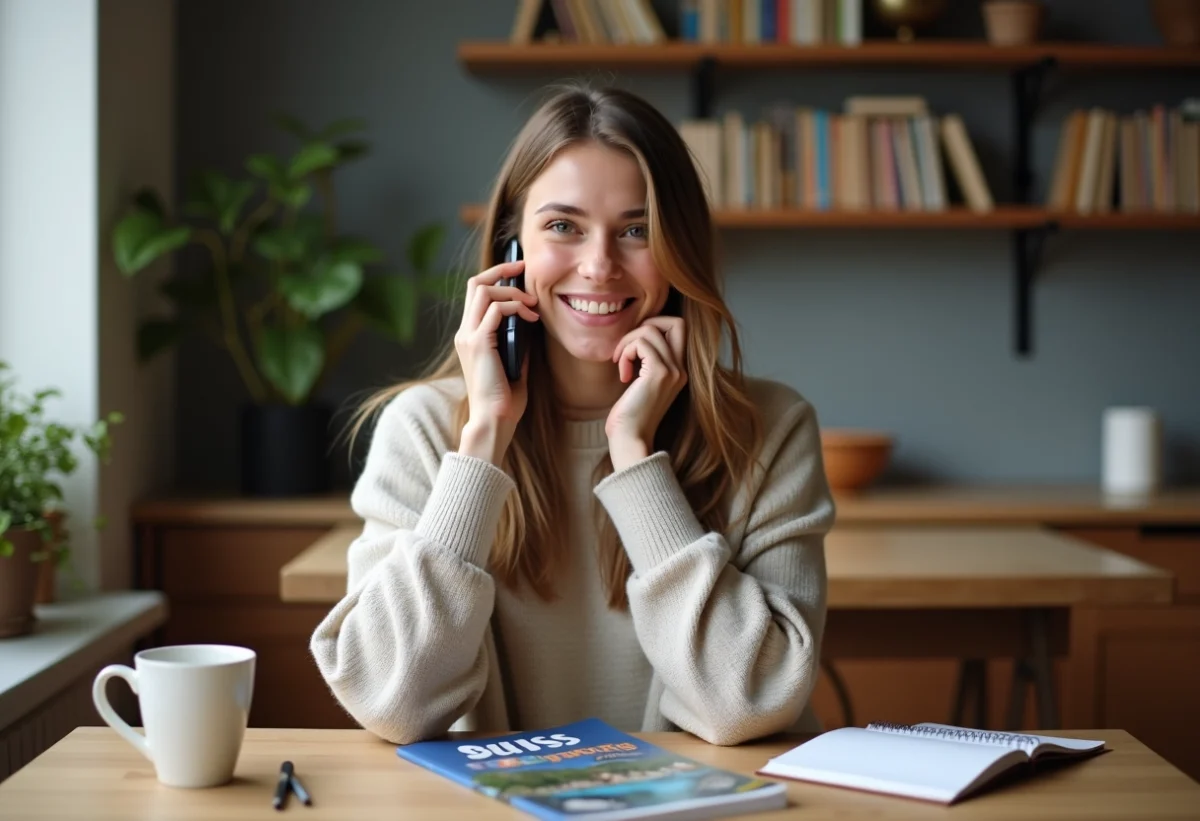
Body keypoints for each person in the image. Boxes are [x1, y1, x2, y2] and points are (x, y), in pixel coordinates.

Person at [310, 82, 835, 747]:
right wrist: (483, 440)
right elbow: (390, 701)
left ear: (681, 252)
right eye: (563, 226)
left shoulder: (769, 428)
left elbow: (750, 702)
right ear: (511, 249)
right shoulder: (424, 430)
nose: (599, 265)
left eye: (637, 230)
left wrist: (635, 455)